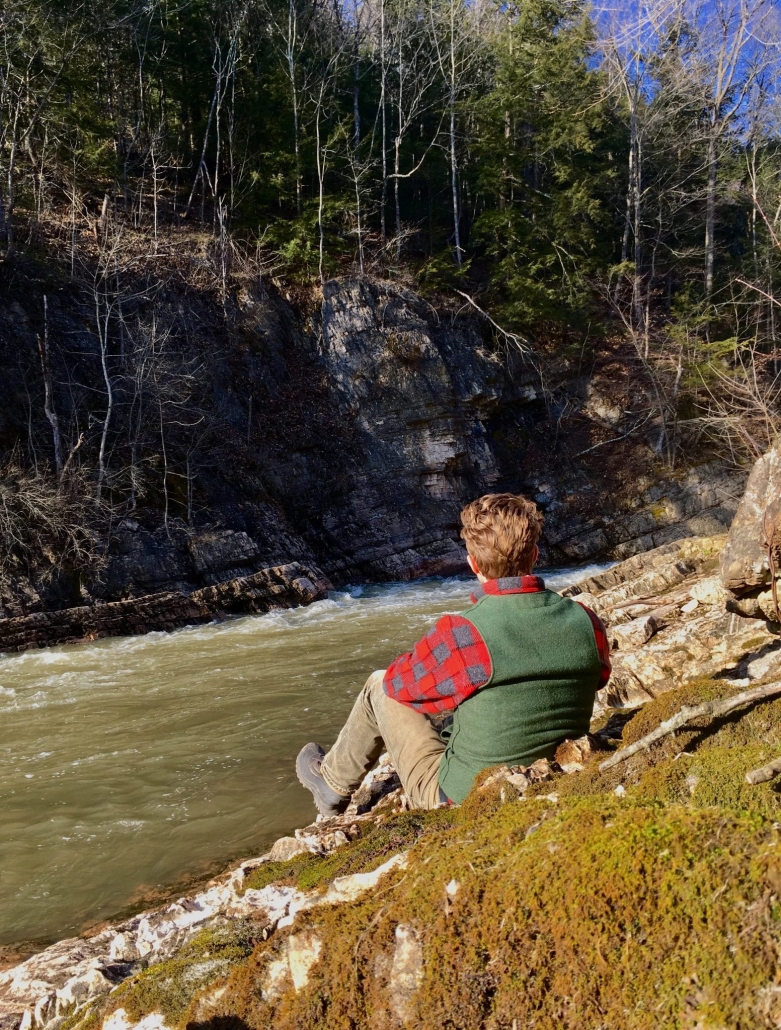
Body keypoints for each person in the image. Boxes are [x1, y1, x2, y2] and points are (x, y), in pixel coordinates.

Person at [296, 492, 611, 815]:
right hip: (555, 770)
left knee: (378, 685)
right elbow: (599, 679)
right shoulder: (586, 620)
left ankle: (331, 782)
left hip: (462, 794)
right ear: (536, 554)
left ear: (472, 563)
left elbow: (400, 688)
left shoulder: (464, 633)